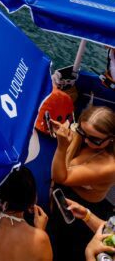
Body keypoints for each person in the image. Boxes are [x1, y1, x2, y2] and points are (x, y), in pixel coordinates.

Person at [49, 105, 115, 260]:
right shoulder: (86, 141)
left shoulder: (109, 166)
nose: (86, 140)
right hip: (67, 199)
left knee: (65, 250)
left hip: (81, 215)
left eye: (94, 139)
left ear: (111, 139)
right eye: (82, 132)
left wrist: (62, 146)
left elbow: (61, 177)